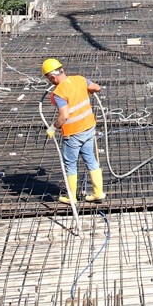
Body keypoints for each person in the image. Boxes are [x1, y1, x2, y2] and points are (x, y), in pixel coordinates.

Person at [42, 58, 104, 205]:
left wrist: (52, 128)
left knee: (70, 164)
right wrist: (85, 92)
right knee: (90, 159)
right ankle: (98, 193)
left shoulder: (59, 93)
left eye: (48, 79)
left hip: (73, 134)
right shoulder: (79, 79)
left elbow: (64, 116)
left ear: (52, 77)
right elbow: (97, 88)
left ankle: (72, 197)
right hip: (89, 128)